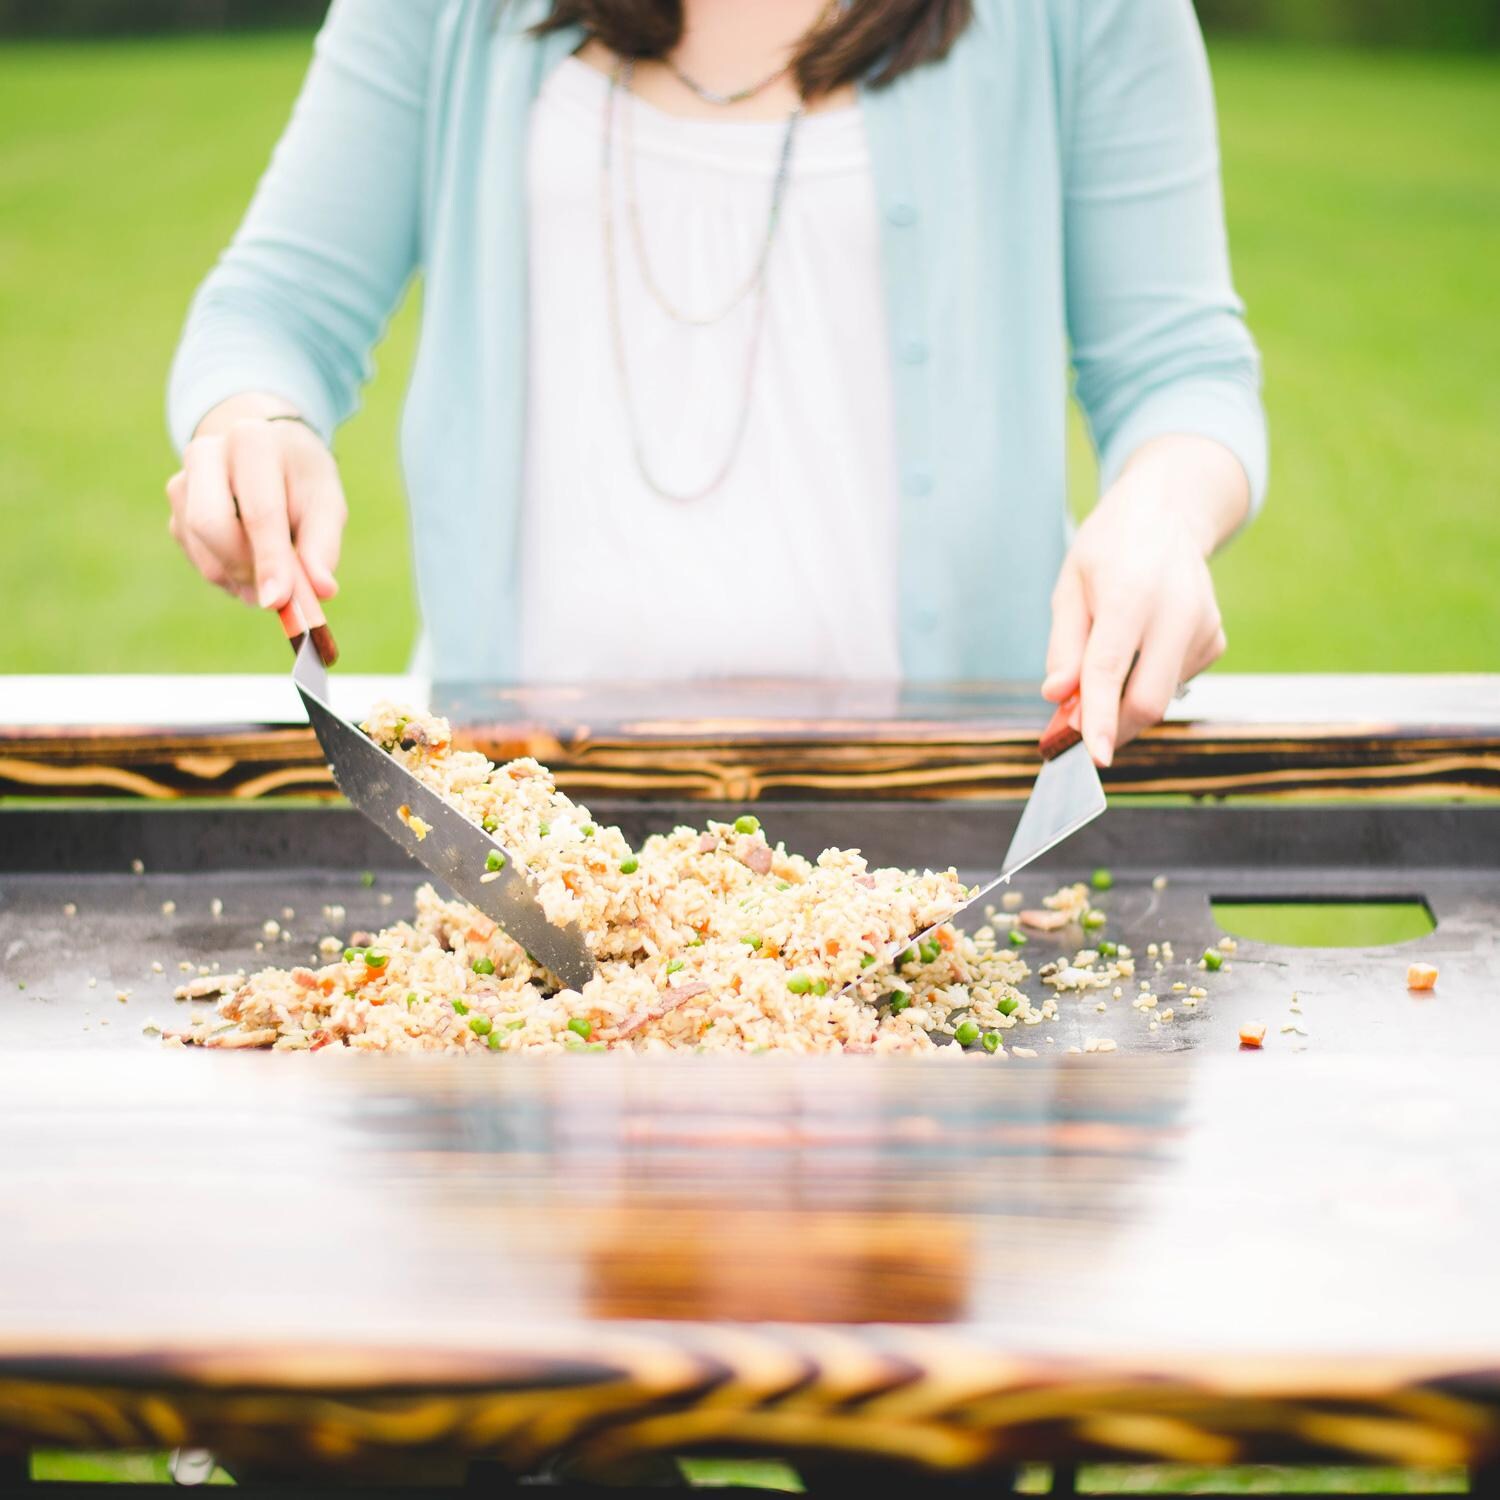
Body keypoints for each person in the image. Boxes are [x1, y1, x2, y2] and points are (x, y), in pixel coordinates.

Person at [166, 0, 1265, 766]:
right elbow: (276, 309)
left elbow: (1179, 367)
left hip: (940, 842)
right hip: (521, 843)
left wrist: (1161, 517)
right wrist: (253, 420)